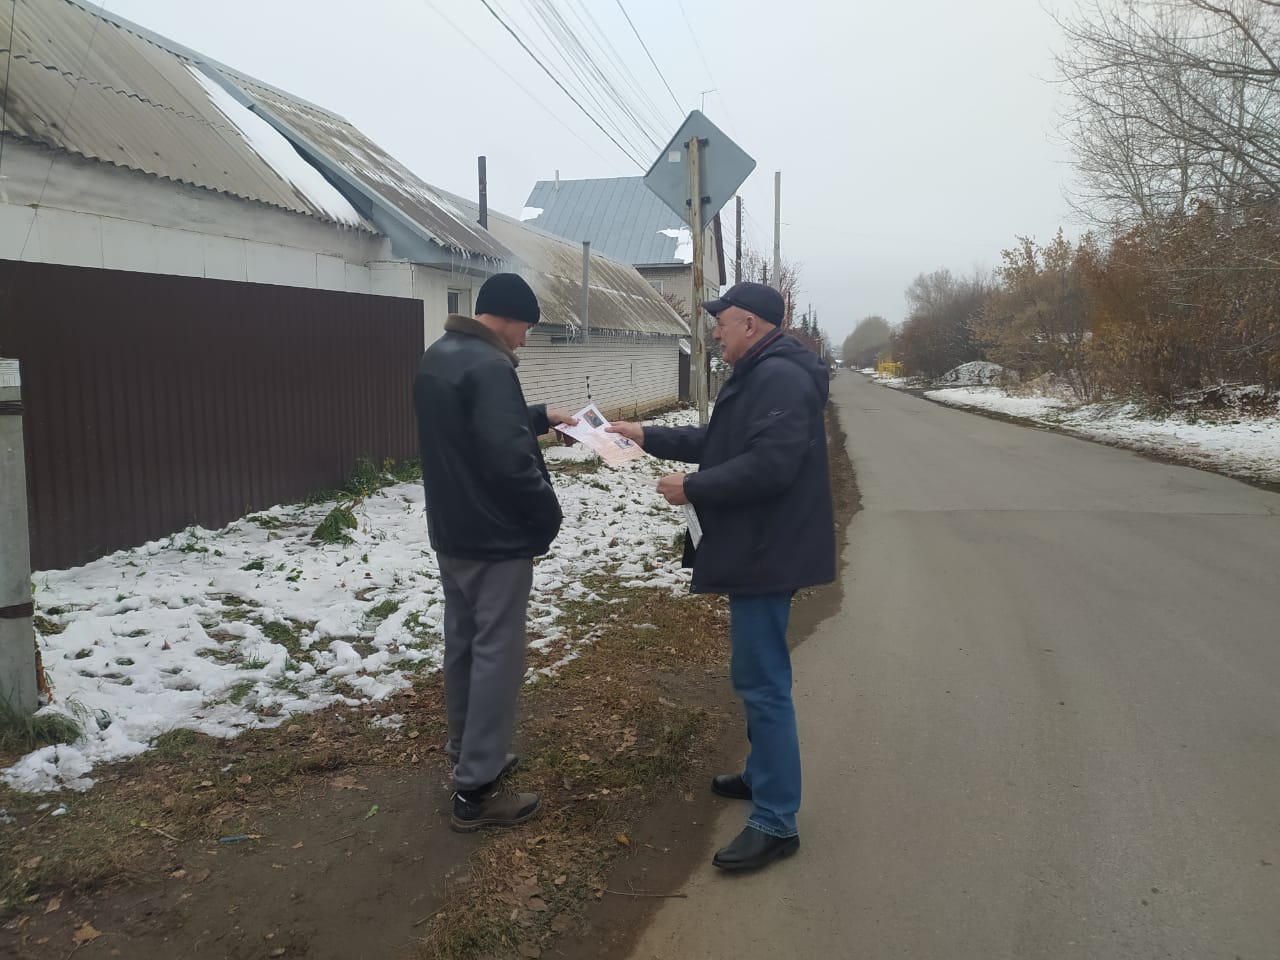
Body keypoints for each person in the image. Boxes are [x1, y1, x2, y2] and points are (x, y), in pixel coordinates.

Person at [607, 282, 835, 871]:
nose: (714, 332)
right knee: (755, 674)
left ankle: (778, 820)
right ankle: (763, 776)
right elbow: (723, 442)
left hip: (768, 550)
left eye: (722, 323)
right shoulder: (763, 371)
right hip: (760, 546)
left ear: (752, 326)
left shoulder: (779, 377)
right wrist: (647, 435)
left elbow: (772, 464)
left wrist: (695, 486)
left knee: (763, 683)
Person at [413, 272, 578, 832]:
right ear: (506, 317)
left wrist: (541, 418)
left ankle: (466, 749)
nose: (526, 341)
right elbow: (509, 462)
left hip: (453, 534)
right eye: (526, 327)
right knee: (497, 658)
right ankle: (476, 789)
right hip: (496, 540)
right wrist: (548, 516)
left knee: (463, 645)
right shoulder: (491, 366)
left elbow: (473, 432)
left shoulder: (440, 356)